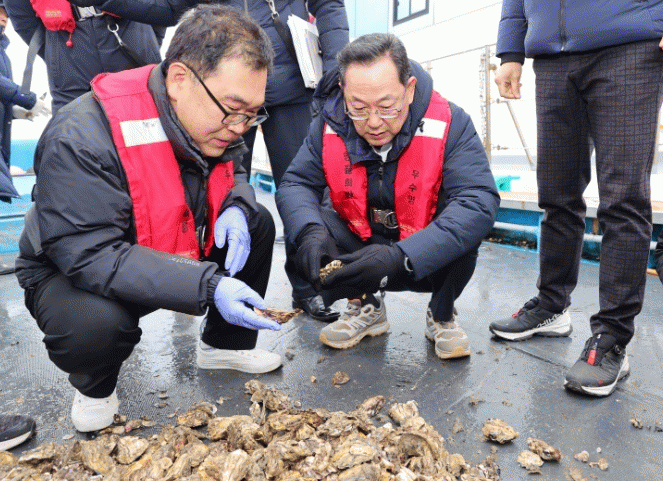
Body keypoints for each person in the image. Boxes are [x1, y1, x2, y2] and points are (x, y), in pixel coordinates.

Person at [14, 5, 282, 433]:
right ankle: (96, 386)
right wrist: (208, 285)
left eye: (252, 114)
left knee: (255, 222)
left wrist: (236, 203)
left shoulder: (218, 121)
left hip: (166, 241)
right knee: (93, 325)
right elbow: (91, 254)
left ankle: (224, 345)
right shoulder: (80, 135)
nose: (240, 127)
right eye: (233, 109)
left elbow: (234, 170)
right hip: (76, 266)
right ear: (179, 79)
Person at [69, 0, 350, 322]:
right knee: (229, 198)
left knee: (300, 190)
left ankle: (309, 285)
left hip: (290, 81)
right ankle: (204, 286)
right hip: (218, 86)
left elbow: (328, 5)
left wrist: (335, 68)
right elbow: (167, 7)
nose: (239, 126)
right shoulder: (81, 132)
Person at [275, 33, 500, 358]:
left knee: (463, 225)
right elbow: (296, 183)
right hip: (358, 249)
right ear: (343, 91)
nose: (374, 122)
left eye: (386, 106)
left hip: (422, 256)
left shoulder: (452, 122)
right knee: (310, 220)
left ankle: (442, 313)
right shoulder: (327, 124)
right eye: (358, 107)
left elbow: (479, 200)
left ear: (409, 89)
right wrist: (309, 232)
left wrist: (402, 256)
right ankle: (365, 305)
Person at [490, 1, 663, 397]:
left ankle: (612, 336)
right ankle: (551, 306)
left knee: (623, 199)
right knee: (556, 193)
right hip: (553, 55)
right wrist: (511, 50)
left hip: (629, 43)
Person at [4, 0, 163, 114]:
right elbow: (22, 17)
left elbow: (163, 9)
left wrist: (148, 42)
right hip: (68, 48)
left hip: (130, 32)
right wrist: (56, 55)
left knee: (147, 129)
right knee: (75, 134)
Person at [0, 0, 49, 274]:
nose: (3, 18)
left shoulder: (3, 53)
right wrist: (28, 99)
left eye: (5, 13)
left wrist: (17, 113)